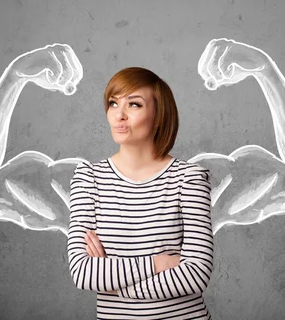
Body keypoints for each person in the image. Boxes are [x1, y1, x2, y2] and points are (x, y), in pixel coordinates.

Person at [67, 67, 214, 319]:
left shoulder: (189, 179)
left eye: (134, 105)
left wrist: (113, 286)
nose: (119, 115)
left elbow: (196, 275)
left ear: (158, 115)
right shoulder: (88, 177)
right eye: (113, 103)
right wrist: (157, 263)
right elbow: (82, 272)